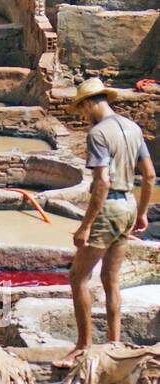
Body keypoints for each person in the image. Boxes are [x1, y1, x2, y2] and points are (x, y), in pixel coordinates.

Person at [55, 77, 155, 369]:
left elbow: (101, 182)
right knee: (110, 280)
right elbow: (149, 175)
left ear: (88, 103)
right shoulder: (133, 127)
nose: (83, 116)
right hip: (128, 205)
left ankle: (83, 346)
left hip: (109, 207)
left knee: (78, 278)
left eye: (82, 110)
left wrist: (85, 225)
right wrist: (143, 213)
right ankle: (113, 343)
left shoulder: (98, 134)